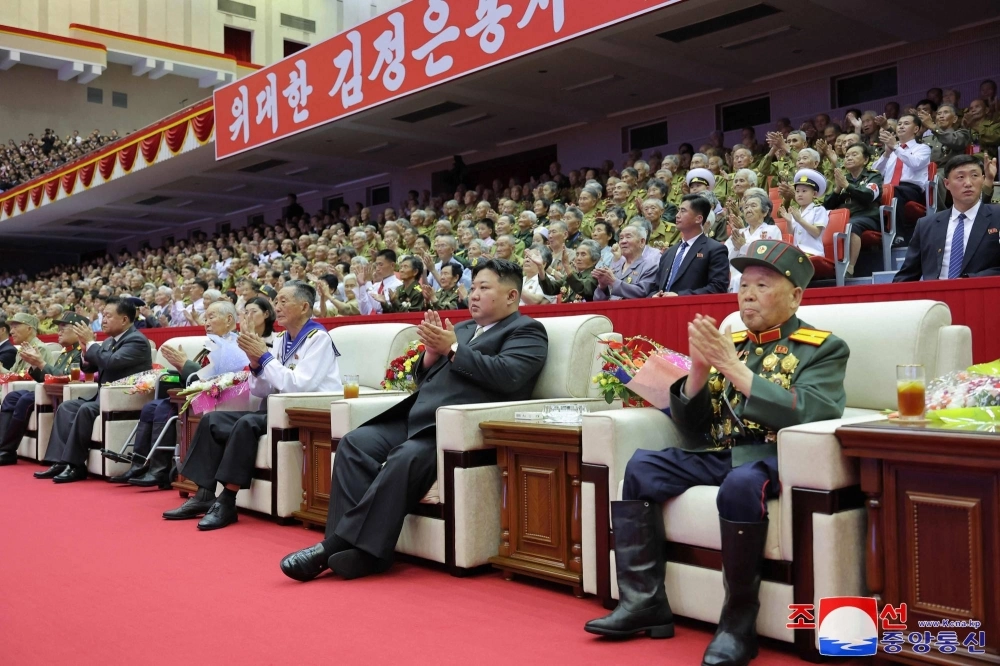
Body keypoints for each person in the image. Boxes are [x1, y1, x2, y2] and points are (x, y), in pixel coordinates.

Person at [584, 239, 849, 666]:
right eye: (744, 285)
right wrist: (699, 373)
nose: (747, 294)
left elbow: (810, 412)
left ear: (796, 295)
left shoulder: (822, 347)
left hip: (773, 454)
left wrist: (734, 369)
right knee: (642, 466)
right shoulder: (733, 342)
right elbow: (693, 428)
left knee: (741, 485)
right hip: (721, 451)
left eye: (763, 285)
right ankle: (643, 602)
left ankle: (737, 625)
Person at [279, 259, 548, 582]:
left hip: (453, 428)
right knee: (355, 443)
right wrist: (431, 356)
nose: (474, 295)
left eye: (484, 288)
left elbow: (509, 377)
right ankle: (364, 553)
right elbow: (426, 378)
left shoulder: (527, 331)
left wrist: (452, 349)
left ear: (511, 296)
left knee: (404, 457)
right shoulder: (460, 329)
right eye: (473, 287)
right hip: (416, 415)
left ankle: (333, 545)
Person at [163, 282, 341, 530]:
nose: (277, 306)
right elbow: (262, 389)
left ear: (304, 306)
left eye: (283, 301)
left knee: (246, 423)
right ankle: (203, 495)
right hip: (275, 409)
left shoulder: (317, 338)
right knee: (212, 421)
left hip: (305, 413)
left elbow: (299, 387)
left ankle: (227, 501)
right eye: (276, 301)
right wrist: (256, 364)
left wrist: (265, 357)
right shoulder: (281, 340)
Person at [108, 301, 243, 488]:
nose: (206, 322)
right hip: (195, 393)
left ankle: (160, 469)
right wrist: (181, 367)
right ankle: (139, 463)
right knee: (150, 407)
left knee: (163, 407)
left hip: (217, 399)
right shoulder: (211, 345)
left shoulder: (234, 346)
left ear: (229, 320)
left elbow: (218, 378)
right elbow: (198, 375)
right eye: (206, 318)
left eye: (212, 317)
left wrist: (185, 364)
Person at [34, 297, 153, 483]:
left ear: (124, 319)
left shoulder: (136, 340)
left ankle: (75, 466)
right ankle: (59, 461)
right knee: (67, 407)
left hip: (123, 399)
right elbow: (89, 368)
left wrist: (90, 344)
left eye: (108, 316)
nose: (103, 320)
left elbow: (112, 362)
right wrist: (84, 350)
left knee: (86, 409)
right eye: (102, 315)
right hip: (102, 398)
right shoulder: (108, 342)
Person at [893, 155, 1000, 282]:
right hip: (937, 299)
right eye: (960, 177)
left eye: (974, 176)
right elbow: (906, 276)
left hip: (983, 296)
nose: (968, 183)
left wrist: (968, 280)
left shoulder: (997, 216)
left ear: (983, 179)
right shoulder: (926, 225)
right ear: (947, 184)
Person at [0, 313, 82, 465]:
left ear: (78, 330)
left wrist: (40, 363)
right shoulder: (66, 351)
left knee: (25, 399)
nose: (59, 331)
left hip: (62, 393)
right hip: (48, 390)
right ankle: (2, 447)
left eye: (64, 327)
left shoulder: (80, 352)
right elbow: (46, 378)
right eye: (58, 327)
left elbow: (68, 378)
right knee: (13, 396)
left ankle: (7, 450)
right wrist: (35, 365)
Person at [650, 195, 729, 297]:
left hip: (694, 310)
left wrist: (680, 297)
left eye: (683, 211)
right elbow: (655, 287)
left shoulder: (715, 249)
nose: (677, 215)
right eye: (678, 210)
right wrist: (654, 295)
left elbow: (718, 287)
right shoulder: (669, 252)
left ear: (698, 219)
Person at [823, 143, 884, 276]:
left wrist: (847, 186)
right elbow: (827, 206)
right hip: (846, 217)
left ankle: (849, 267)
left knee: (851, 225)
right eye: (846, 156)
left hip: (868, 216)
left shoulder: (874, 176)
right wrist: (837, 189)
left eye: (854, 155)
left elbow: (868, 196)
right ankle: (828, 265)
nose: (849, 158)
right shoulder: (843, 178)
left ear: (866, 160)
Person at [593, 225, 659, 300]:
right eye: (621, 238)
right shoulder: (615, 269)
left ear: (642, 242)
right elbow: (597, 301)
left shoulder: (650, 267)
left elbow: (642, 292)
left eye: (628, 237)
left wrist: (614, 282)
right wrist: (602, 286)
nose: (623, 241)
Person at [529, 240, 600, 303]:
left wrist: (567, 266)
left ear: (594, 260)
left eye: (583, 254)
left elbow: (582, 289)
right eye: (577, 254)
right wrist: (541, 268)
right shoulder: (570, 276)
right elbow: (550, 289)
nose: (578, 258)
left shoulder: (595, 275)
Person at [780, 169, 829, 259]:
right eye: (797, 191)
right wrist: (789, 222)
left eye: (804, 191)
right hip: (796, 252)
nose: (800, 194)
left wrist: (800, 220)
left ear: (814, 194)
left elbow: (816, 233)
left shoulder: (818, 210)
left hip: (812, 252)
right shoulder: (796, 212)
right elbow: (791, 235)